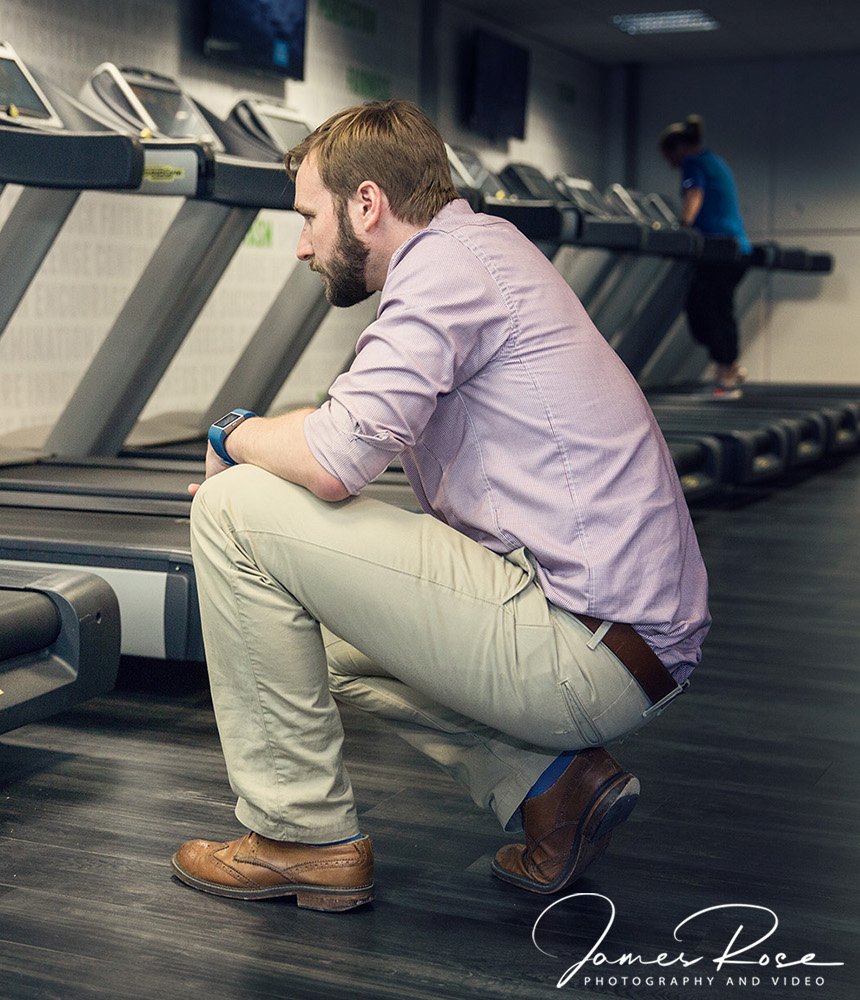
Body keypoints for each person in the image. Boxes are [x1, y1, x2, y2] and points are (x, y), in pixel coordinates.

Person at [174, 101, 709, 911]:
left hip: (584, 648)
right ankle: (556, 785)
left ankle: (299, 837)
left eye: (310, 217)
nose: (304, 245)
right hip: (620, 645)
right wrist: (260, 448)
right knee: (299, 636)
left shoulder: (443, 271)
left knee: (231, 507)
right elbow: (348, 426)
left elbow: (332, 458)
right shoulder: (478, 249)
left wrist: (231, 435)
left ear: (366, 204)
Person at [659, 114, 752, 399]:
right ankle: (730, 366)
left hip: (720, 251)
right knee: (708, 309)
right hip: (732, 250)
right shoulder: (715, 161)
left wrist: (683, 226)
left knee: (713, 310)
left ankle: (727, 374)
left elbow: (694, 196)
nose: (669, 162)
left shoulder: (693, 163)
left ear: (679, 149)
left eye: (668, 156)